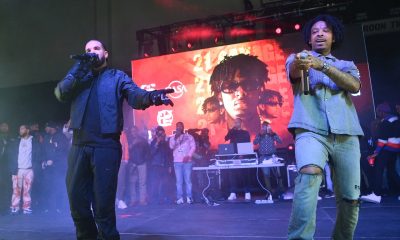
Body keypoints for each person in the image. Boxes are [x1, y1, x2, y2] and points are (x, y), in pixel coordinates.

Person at [54, 39, 173, 240]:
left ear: (106, 53)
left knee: (103, 205)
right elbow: (60, 92)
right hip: (79, 146)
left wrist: (153, 97)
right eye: (87, 50)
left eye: (96, 48)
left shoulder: (116, 77)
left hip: (105, 146)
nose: (92, 52)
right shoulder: (78, 79)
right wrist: (78, 67)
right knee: (76, 202)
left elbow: (136, 96)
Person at [285, 15, 364, 239]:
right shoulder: (298, 58)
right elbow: (293, 70)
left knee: (351, 198)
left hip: (347, 134)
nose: (320, 33)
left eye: (326, 30)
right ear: (309, 39)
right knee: (309, 175)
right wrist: (304, 62)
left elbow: (354, 85)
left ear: (333, 36)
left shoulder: (346, 65)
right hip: (310, 129)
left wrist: (324, 66)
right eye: (315, 31)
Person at [209, 54, 269, 137]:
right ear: (219, 96)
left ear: (261, 90)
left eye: (249, 84)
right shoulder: (214, 141)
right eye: (230, 86)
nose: (240, 94)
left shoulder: (281, 133)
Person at [361, 103, 400, 203]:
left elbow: (382, 140)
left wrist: (376, 152)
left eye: (378, 111)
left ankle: (376, 194)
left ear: (382, 112)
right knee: (392, 171)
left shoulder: (385, 122)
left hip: (387, 149)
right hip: (395, 149)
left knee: (379, 170)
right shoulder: (396, 119)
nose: (378, 114)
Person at [7, 124, 42, 214]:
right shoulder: (16, 141)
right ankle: (14, 207)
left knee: (27, 190)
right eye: (19, 129)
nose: (20, 131)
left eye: (22, 129)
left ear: (27, 130)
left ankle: (26, 207)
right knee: (16, 190)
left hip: (29, 169)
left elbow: (38, 154)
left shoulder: (33, 141)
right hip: (18, 169)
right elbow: (11, 155)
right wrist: (12, 167)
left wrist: (37, 166)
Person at [253, 121, 284, 198]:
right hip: (263, 157)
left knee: (278, 174)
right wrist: (260, 134)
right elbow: (254, 142)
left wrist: (273, 133)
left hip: (272, 156)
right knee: (266, 175)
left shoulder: (273, 135)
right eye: (264, 127)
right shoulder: (259, 135)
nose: (265, 128)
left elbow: (280, 141)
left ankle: (281, 190)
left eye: (267, 127)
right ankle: (269, 191)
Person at [224, 118, 252, 200]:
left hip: (242, 154)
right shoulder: (233, 132)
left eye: (237, 122)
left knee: (244, 173)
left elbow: (247, 143)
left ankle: (247, 192)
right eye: (234, 122)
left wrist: (243, 154)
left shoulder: (245, 133)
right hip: (232, 155)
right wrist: (232, 129)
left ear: (241, 123)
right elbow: (226, 138)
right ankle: (233, 192)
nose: (235, 123)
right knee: (232, 173)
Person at [169, 121, 196, 204]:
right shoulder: (172, 137)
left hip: (187, 161)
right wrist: (175, 138)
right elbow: (171, 146)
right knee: (179, 181)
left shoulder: (189, 137)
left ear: (183, 127)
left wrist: (189, 155)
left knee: (188, 180)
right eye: (177, 126)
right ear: (176, 127)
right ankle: (179, 198)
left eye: (180, 126)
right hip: (177, 162)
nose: (179, 127)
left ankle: (189, 197)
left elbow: (193, 147)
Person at [149, 126, 173, 204]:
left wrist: (169, 166)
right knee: (155, 183)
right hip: (156, 165)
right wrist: (157, 143)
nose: (161, 135)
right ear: (157, 134)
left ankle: (163, 197)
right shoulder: (153, 142)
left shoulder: (166, 143)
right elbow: (151, 153)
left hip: (165, 166)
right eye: (159, 134)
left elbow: (169, 155)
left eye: (162, 134)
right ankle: (154, 199)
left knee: (165, 182)